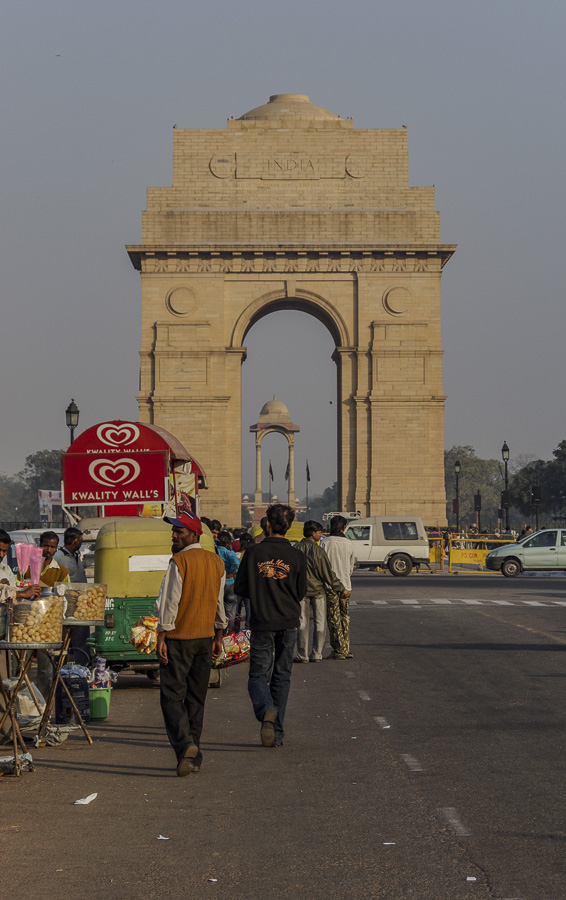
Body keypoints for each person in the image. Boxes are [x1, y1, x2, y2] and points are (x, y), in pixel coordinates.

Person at [155, 511, 226, 777]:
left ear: (193, 535)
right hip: (204, 640)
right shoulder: (217, 562)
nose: (174, 536)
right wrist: (219, 633)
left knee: (172, 697)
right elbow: (219, 602)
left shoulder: (179, 561)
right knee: (196, 698)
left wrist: (162, 634)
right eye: (174, 531)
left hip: (178, 639)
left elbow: (169, 602)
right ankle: (193, 751)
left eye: (179, 532)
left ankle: (185, 745)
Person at [234, 504, 306, 748]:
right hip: (289, 623)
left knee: (257, 676)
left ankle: (266, 709)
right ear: (288, 526)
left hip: (262, 622)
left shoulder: (253, 553)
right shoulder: (297, 555)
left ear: (267, 524)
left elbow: (239, 589)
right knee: (282, 677)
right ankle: (276, 734)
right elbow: (300, 592)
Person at [295, 521, 345, 663]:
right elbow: (327, 574)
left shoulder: (296, 549)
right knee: (320, 623)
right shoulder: (319, 551)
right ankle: (317, 654)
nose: (321, 535)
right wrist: (340, 588)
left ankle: (302, 654)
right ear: (313, 533)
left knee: (302, 623)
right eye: (319, 532)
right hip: (318, 591)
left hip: (301, 591)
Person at [54, 527, 89, 664]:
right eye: (80, 540)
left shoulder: (76, 555)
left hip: (81, 605)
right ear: (75, 540)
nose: (81, 543)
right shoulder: (59, 558)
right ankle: (59, 672)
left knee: (81, 641)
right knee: (62, 644)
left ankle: (82, 671)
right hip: (65, 606)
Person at [322, 516, 355, 659]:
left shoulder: (324, 543)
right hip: (346, 585)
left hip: (330, 586)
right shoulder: (349, 543)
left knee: (333, 618)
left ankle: (339, 649)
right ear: (343, 528)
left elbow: (321, 565)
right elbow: (351, 566)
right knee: (344, 616)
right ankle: (345, 648)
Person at [216, 530, 240, 624]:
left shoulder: (215, 551)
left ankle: (219, 631)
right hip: (229, 582)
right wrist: (231, 571)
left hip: (218, 583)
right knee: (230, 610)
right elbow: (236, 563)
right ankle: (229, 633)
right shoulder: (229, 553)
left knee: (218, 609)